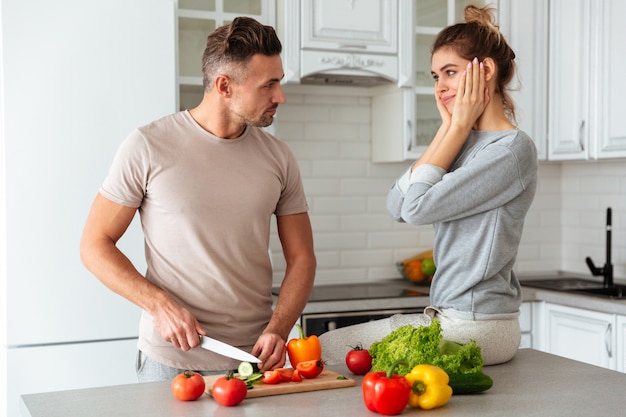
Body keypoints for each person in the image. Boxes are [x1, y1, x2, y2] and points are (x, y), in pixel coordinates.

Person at [80, 17, 316, 381]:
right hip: (170, 364)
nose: (279, 96)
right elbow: (94, 245)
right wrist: (159, 305)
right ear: (224, 86)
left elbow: (301, 258)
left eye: (279, 82)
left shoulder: (279, 157)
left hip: (254, 361)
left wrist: (280, 327)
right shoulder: (148, 146)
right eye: (268, 85)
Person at [320, 5, 537, 366]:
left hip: (480, 324)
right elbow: (396, 205)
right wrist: (449, 129)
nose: (440, 87)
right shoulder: (465, 143)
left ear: (485, 70)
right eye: (435, 76)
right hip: (451, 317)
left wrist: (454, 129)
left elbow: (416, 207)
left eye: (450, 72)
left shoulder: (510, 151)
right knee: (331, 349)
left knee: (330, 352)